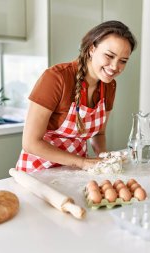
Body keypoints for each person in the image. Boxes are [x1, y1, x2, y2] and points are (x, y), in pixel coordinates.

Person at [16, 20, 137, 172]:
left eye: (123, 61)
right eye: (109, 56)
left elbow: (99, 133)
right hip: (38, 172)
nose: (114, 67)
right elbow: (30, 143)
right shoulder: (56, 78)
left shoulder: (109, 85)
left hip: (75, 172)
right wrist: (82, 162)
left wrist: (105, 158)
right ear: (92, 49)